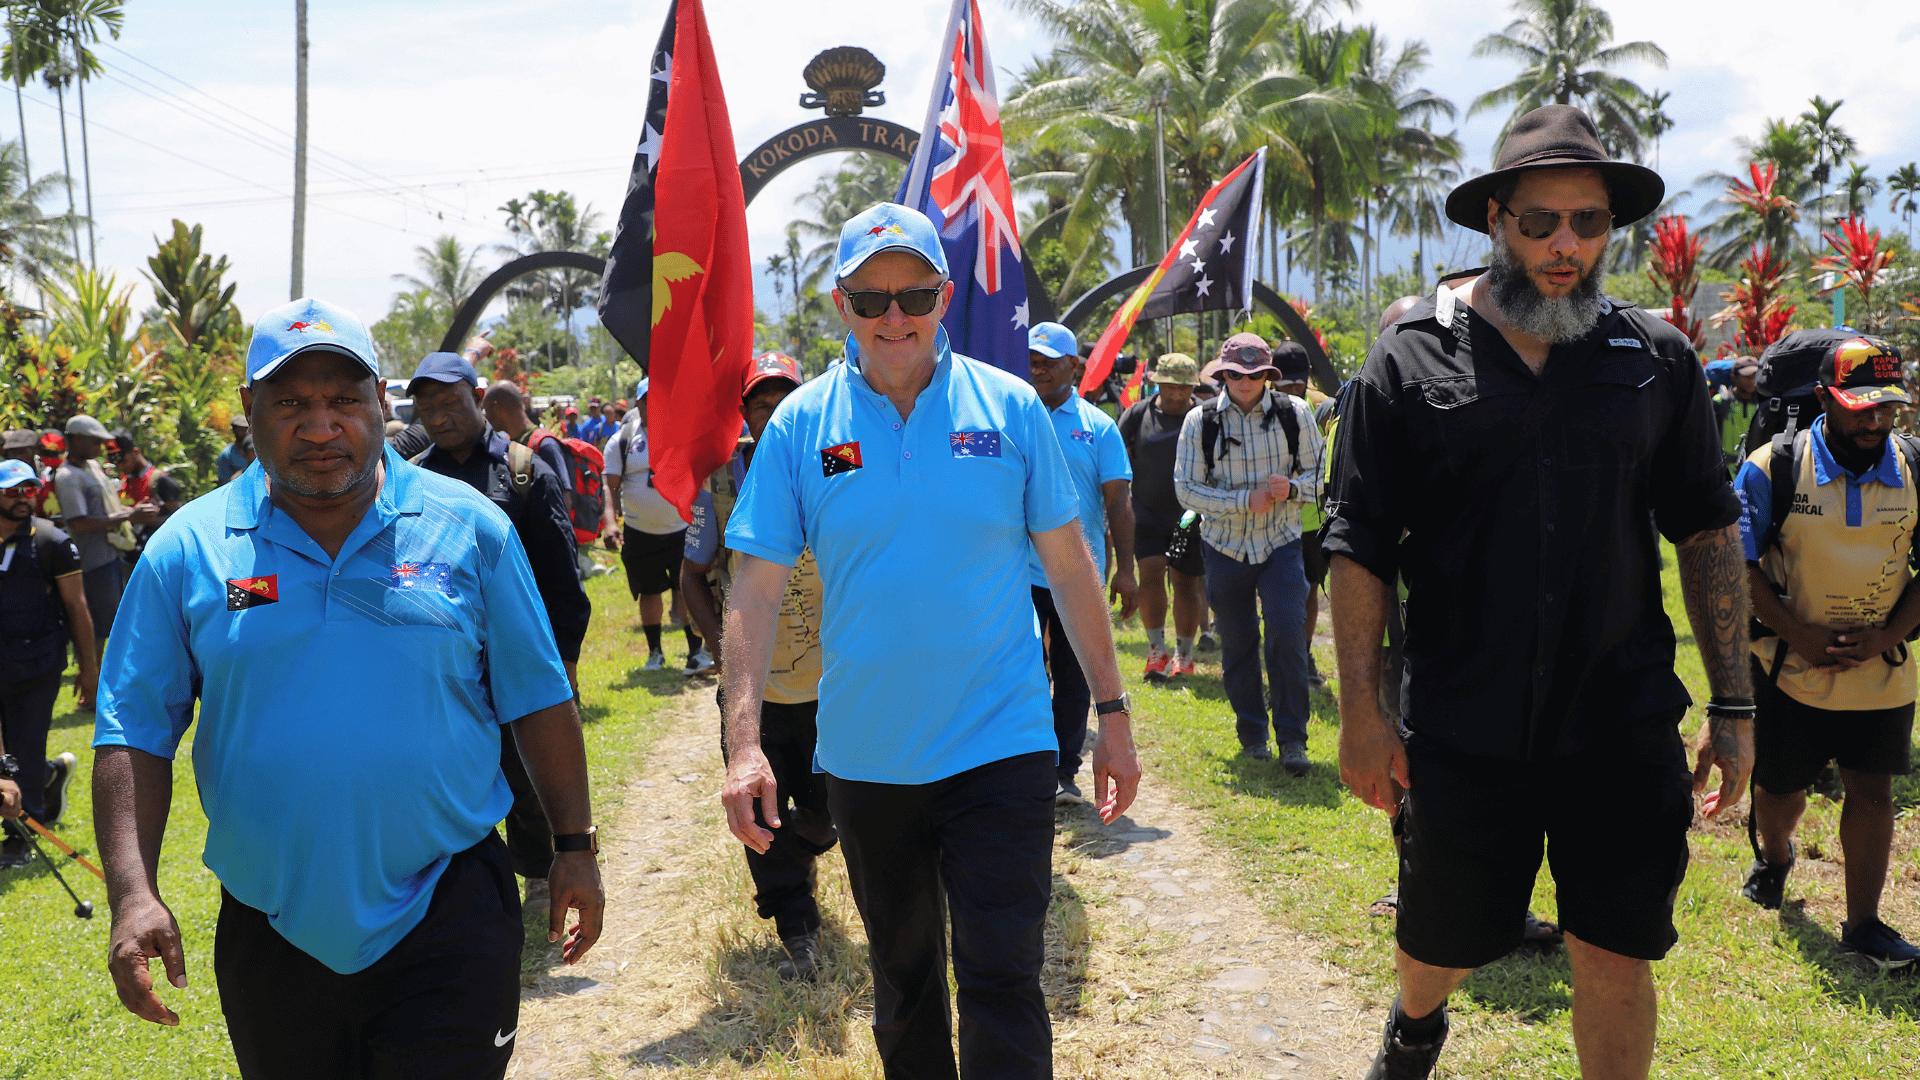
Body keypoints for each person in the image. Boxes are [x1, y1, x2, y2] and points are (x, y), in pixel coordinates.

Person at [1323, 105, 1754, 1080]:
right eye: (1542, 222)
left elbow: (1707, 525)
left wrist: (1733, 704)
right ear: (1496, 222)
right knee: (1441, 939)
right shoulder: (1408, 362)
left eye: (1590, 223)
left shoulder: (1655, 362)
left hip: (1620, 721)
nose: (1568, 246)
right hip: (1462, 724)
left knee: (1614, 947)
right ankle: (1418, 1022)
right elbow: (1357, 545)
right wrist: (1362, 710)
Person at [93, 297, 604, 1077]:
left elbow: (537, 697)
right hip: (271, 923)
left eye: (343, 399)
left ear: (380, 404)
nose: (321, 425)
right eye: (291, 402)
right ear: (249, 411)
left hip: (450, 905)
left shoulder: (469, 528)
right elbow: (133, 728)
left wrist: (574, 847)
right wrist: (134, 892)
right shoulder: (187, 549)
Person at [720, 202, 1141, 1079]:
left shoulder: (1011, 405)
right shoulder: (801, 426)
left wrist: (1114, 714)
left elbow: (1068, 569)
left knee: (1001, 976)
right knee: (904, 982)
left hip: (1003, 745)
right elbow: (754, 592)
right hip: (869, 759)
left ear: (945, 295)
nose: (894, 316)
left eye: (913, 293)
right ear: (841, 305)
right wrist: (744, 744)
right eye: (871, 299)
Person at [1734, 335, 1920, 968]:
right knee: (1783, 789)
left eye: (1886, 409)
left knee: (1872, 790)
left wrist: (1888, 638)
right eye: (1859, 407)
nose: (1875, 421)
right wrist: (1797, 635)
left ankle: (1863, 923)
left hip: (1881, 670)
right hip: (1792, 668)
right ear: (1822, 399)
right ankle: (1776, 857)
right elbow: (1741, 564)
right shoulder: (1772, 467)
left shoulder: (1914, 466)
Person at [408, 351, 595, 920]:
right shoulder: (413, 482)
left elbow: (563, 584)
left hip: (517, 661)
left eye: (450, 402)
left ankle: (541, 875)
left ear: (477, 396)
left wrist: (555, 670)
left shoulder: (522, 470)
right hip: (447, 663)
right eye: (427, 407)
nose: (439, 417)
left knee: (528, 774)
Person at [680, 351, 836, 979]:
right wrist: (727, 660)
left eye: (784, 400)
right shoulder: (718, 479)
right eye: (760, 402)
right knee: (763, 810)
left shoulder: (837, 458)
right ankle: (795, 924)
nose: (773, 413)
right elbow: (691, 577)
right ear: (742, 410)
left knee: (830, 811)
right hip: (757, 694)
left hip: (836, 682)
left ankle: (816, 841)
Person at [1174, 333, 1323, 776]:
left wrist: (1293, 489)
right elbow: (1185, 489)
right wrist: (1243, 501)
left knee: (1287, 636)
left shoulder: (1295, 414)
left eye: (1255, 373)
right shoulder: (1200, 422)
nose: (1245, 381)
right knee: (1237, 643)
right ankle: (1253, 735)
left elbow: (1324, 478)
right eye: (1236, 374)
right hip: (1223, 547)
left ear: (1268, 375)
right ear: (1222, 374)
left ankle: (1293, 740)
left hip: (1280, 542)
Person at [1026, 321, 1135, 805]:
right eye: (1032, 359)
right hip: (1016, 573)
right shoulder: (1011, 419)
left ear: (1076, 365)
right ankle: (1027, 766)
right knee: (1026, 671)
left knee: (1072, 676)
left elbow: (1118, 503)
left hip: (1075, 573)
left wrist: (1127, 570)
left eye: (1049, 360)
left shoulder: (1098, 427)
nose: (1038, 369)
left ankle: (1064, 770)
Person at [0, 458, 98, 867]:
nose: (24, 498)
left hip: (36, 664)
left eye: (30, 490)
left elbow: (77, 606)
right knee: (12, 753)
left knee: (22, 744)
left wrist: (89, 671)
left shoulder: (52, 541)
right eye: (13, 491)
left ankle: (22, 835)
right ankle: (48, 774)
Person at [1119, 353, 1208, 681]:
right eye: (1169, 387)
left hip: (1189, 516)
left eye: (1183, 388)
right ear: (1158, 384)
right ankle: (1156, 650)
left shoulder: (1203, 416)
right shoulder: (1138, 415)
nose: (1175, 394)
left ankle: (1184, 653)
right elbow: (1118, 458)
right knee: (1151, 572)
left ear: (1192, 387)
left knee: (1185, 581)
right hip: (1147, 514)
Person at [602, 381, 703, 672]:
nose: (653, 406)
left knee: (685, 588)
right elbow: (609, 487)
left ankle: (695, 651)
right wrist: (610, 523)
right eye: (647, 401)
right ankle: (655, 652)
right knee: (649, 592)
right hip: (639, 530)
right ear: (638, 404)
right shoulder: (621, 441)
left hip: (681, 526)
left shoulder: (684, 436)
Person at [1271, 341, 1333, 689]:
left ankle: (1304, 653)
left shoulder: (1323, 406)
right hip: (1275, 519)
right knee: (1278, 594)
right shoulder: (1261, 406)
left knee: (1309, 589)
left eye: (1298, 384)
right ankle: (1280, 657)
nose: (1293, 391)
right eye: (1286, 385)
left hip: (1311, 518)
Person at [55, 414, 144, 643]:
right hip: (93, 562)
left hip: (111, 553)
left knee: (113, 620)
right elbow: (80, 523)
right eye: (95, 441)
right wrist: (129, 515)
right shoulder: (68, 476)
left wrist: (130, 512)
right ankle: (92, 673)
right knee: (99, 627)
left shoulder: (92, 467)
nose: (100, 447)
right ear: (76, 440)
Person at [112, 430, 185, 564]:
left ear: (135, 452)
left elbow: (179, 520)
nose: (119, 466)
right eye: (116, 463)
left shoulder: (162, 481)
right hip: (127, 558)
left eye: (123, 461)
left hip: (156, 559)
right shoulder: (124, 482)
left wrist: (142, 519)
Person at [1715, 356, 1762, 465]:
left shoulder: (1764, 403)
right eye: (1747, 377)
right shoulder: (1720, 402)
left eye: (1755, 375)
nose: (1752, 380)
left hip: (1755, 466)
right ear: (1734, 377)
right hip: (1727, 470)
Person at [214, 415, 252, 485]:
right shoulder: (227, 455)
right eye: (242, 430)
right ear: (234, 430)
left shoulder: (257, 451)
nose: (246, 433)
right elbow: (224, 483)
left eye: (247, 429)